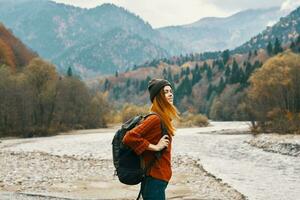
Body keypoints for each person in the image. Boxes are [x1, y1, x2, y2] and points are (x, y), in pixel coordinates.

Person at [123, 78, 179, 200]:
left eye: (170, 91)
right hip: (154, 179)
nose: (170, 94)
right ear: (158, 97)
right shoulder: (155, 119)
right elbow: (129, 137)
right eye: (165, 92)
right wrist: (155, 147)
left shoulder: (163, 118)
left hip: (158, 179)